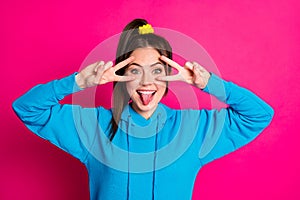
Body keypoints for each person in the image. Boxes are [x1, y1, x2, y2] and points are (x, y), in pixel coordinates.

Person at [12, 18, 274, 200]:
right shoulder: (94, 127)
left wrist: (208, 84)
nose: (147, 82)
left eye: (157, 71)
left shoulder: (193, 130)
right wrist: (78, 82)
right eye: (135, 71)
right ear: (121, 75)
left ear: (170, 75)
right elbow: (27, 109)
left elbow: (258, 115)